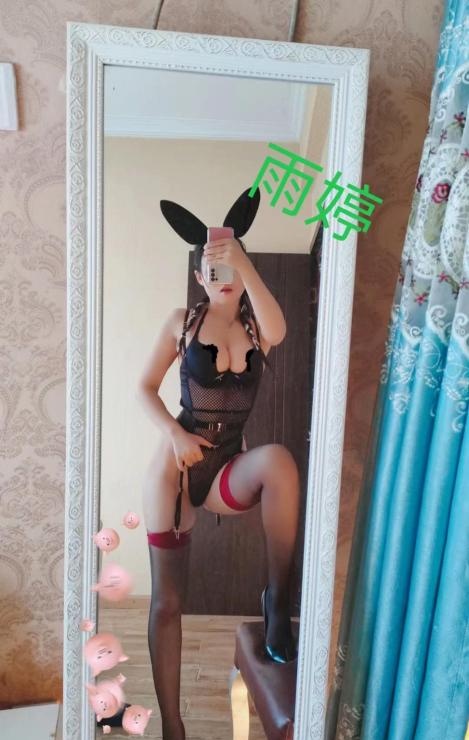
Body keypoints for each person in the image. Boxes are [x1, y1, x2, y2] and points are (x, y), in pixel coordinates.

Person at [137, 187, 301, 740]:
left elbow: (279, 330)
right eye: (211, 267)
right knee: (168, 602)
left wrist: (241, 262)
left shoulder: (256, 330)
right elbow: (143, 388)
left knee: (279, 462)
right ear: (199, 276)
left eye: (229, 266)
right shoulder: (182, 322)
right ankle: (173, 726)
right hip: (176, 468)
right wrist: (173, 433)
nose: (221, 276)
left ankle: (276, 598)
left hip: (228, 466)